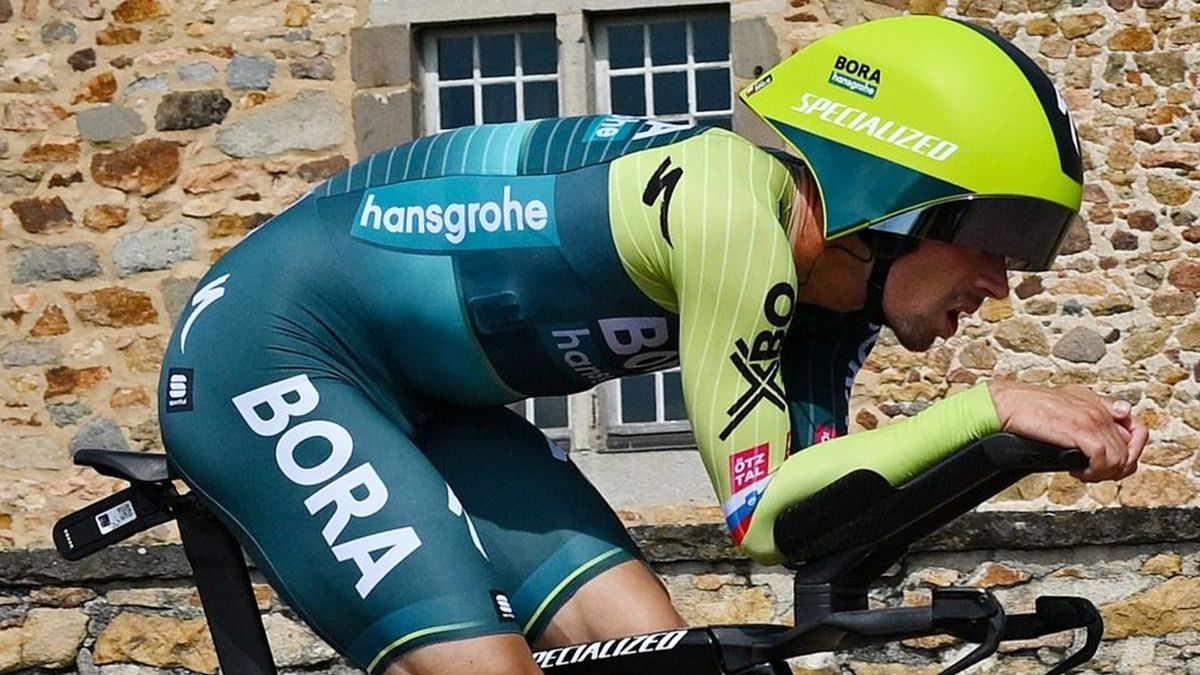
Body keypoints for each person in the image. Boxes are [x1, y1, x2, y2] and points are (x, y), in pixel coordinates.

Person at [158, 14, 1147, 675]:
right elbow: (760, 515)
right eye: (998, 234)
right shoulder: (727, 214)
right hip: (275, 350)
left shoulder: (829, 296)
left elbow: (814, 520)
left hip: (437, 400)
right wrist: (989, 409)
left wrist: (1001, 456)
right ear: (887, 203)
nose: (1003, 280)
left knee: (659, 661)